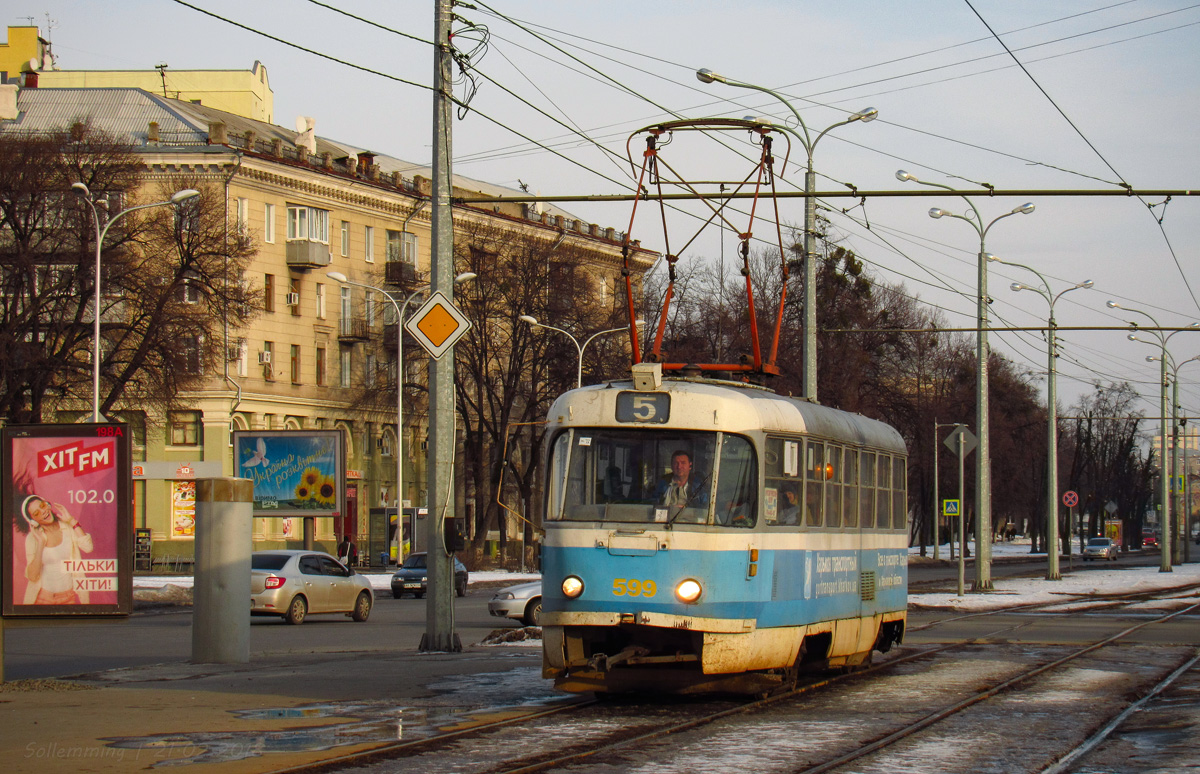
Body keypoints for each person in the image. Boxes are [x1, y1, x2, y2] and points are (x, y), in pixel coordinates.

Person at [17, 495, 95, 605]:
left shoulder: (67, 527)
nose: (43, 512)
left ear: (47, 504)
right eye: (36, 513)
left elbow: (88, 548)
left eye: (42, 506)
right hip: (42, 598)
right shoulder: (32, 539)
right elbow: (32, 576)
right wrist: (40, 543)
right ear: (33, 521)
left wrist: (72, 521)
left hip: (68, 597)